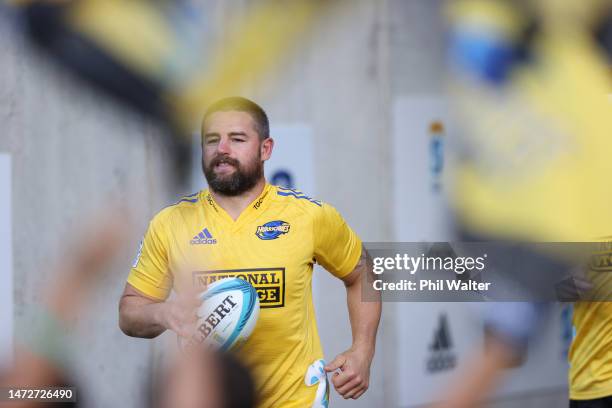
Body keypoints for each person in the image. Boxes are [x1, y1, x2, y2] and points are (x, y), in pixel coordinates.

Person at [118, 96, 381, 407]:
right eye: (212, 140)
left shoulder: (310, 216)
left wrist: (362, 351)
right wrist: (163, 312)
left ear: (266, 149)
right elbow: (129, 312)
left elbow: (365, 272)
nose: (222, 149)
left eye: (237, 139)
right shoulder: (169, 223)